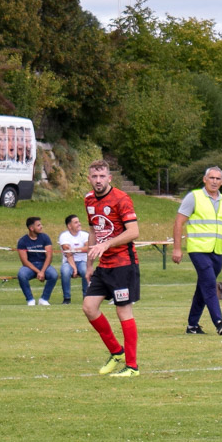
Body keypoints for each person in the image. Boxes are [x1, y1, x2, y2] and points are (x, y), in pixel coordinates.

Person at [81, 160, 142, 377]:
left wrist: (107, 244)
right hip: (104, 265)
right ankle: (116, 352)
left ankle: (132, 366)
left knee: (123, 311)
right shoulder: (89, 200)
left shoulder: (121, 199)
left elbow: (133, 231)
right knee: (89, 307)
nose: (98, 180)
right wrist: (89, 264)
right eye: (94, 176)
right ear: (89, 178)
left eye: (102, 176)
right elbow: (93, 231)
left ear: (109, 178)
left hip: (123, 264)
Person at [172, 165, 222, 334]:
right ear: (204, 179)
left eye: (218, 178)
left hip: (216, 251)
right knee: (210, 284)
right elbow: (178, 222)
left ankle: (192, 325)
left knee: (203, 286)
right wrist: (177, 248)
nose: (214, 181)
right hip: (198, 249)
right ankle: (219, 322)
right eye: (211, 178)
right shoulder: (194, 197)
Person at [16, 216, 57, 306]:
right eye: (38, 225)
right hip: (29, 266)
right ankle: (30, 300)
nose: (41, 227)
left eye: (41, 225)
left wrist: (42, 271)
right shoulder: (22, 241)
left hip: (44, 265)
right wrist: (38, 272)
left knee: (53, 275)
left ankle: (44, 299)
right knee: (21, 275)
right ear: (31, 228)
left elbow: (49, 256)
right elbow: (24, 261)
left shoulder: (45, 237)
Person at [59, 214, 90, 305]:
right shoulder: (64, 236)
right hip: (68, 262)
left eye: (79, 222)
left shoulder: (85, 235)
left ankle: (86, 297)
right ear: (69, 226)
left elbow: (88, 248)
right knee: (65, 271)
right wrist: (74, 268)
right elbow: (68, 254)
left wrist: (74, 249)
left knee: (85, 271)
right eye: (76, 222)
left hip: (82, 261)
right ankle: (67, 298)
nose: (79, 224)